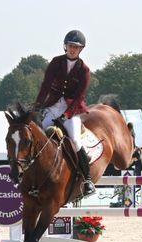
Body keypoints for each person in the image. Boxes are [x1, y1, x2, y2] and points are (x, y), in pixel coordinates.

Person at [35, 29, 95, 197]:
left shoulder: (84, 70)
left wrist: (66, 115)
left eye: (76, 47)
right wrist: (38, 106)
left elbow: (79, 97)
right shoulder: (56, 62)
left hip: (72, 110)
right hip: (52, 106)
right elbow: (45, 86)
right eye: (70, 46)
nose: (72, 49)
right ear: (65, 46)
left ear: (81, 49)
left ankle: (87, 180)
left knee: (75, 140)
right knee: (38, 135)